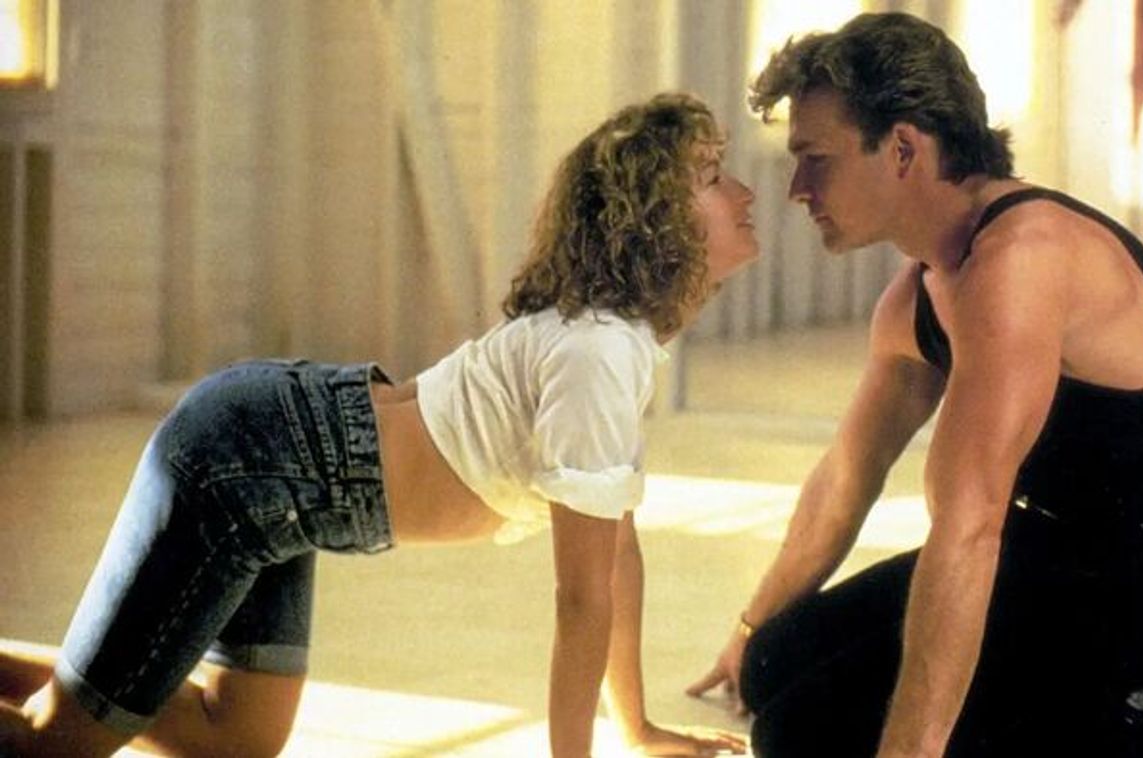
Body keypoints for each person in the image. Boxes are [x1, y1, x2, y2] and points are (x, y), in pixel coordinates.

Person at [0, 92, 753, 758]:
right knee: (56, 746)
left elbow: (617, 556)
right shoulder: (596, 353)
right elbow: (581, 599)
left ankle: (82, 689)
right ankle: (78, 705)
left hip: (283, 477)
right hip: (248, 460)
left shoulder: (612, 341)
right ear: (655, 220)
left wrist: (635, 728)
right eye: (714, 177)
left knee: (239, 739)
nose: (744, 191)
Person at [684, 13, 1143, 757]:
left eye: (817, 160)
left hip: (1119, 590)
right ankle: (1083, 700)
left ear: (902, 149)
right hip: (1027, 558)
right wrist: (748, 629)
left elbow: (968, 527)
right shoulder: (921, 287)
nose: (798, 189)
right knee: (773, 664)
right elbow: (846, 477)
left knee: (800, 735)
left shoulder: (1022, 260)